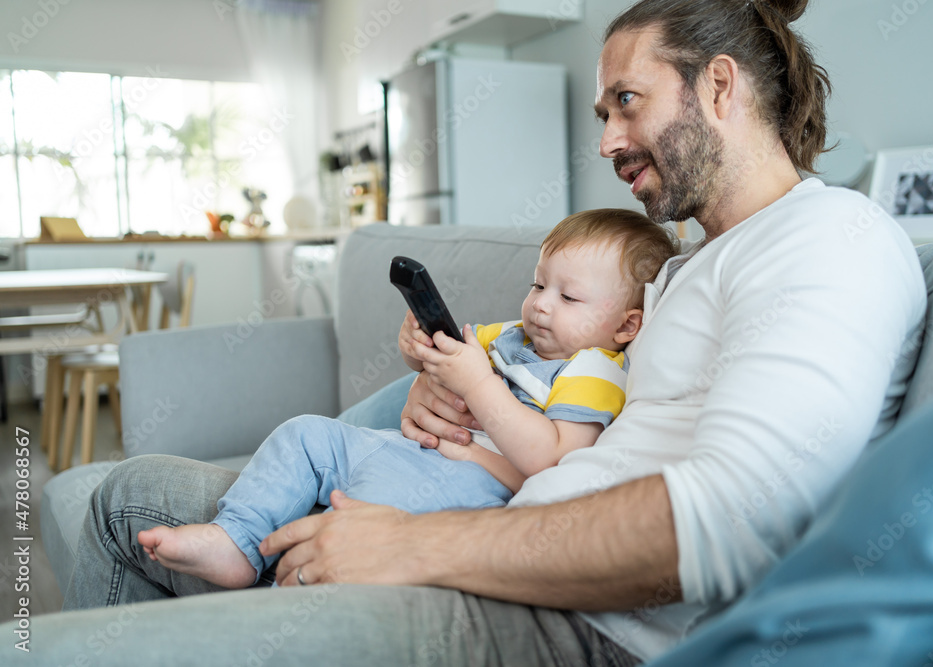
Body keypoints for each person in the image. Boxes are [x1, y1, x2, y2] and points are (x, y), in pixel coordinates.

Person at [40, 0, 927, 665]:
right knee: (127, 495)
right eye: (602, 116)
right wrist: (450, 397)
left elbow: (733, 518)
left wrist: (411, 543)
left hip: (582, 628)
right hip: (497, 536)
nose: (612, 140)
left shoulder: (833, 241)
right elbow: (588, 421)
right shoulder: (681, 269)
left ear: (720, 84)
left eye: (628, 101)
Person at [133, 209, 678, 589]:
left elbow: (553, 460)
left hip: (462, 481)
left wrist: (479, 385)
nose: (540, 306)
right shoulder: (511, 335)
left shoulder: (594, 369)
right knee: (306, 433)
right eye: (538, 285)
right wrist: (417, 350)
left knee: (382, 500)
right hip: (400, 445)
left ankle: (305, 583)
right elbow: (444, 362)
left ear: (627, 326)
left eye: (569, 296)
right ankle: (238, 539)